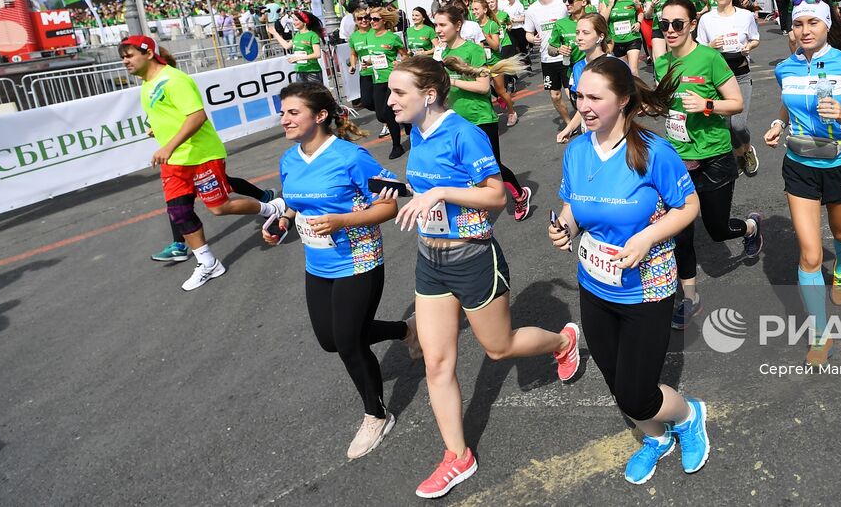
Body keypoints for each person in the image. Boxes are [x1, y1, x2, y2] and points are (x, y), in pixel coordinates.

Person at [388, 56, 581, 499]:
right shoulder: (418, 130)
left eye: (400, 92)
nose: (390, 99)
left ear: (429, 95)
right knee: (437, 363)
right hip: (429, 260)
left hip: (473, 257)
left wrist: (438, 192)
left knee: (499, 348)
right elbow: (430, 186)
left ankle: (562, 342)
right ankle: (457, 456)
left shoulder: (464, 134)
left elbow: (496, 196)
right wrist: (404, 191)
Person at [548, 56, 710, 485]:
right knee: (617, 381)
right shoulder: (577, 150)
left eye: (594, 97)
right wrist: (565, 227)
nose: (583, 105)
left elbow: (688, 206)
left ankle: (690, 414)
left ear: (622, 101)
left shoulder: (654, 152)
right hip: (595, 285)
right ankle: (657, 437)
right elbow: (573, 206)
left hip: (646, 289)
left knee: (638, 393)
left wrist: (648, 237)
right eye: (579, 95)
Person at [263, 81, 416, 460]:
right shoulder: (289, 159)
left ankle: (376, 415)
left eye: (293, 112)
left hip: (358, 259)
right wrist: (283, 220)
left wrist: (342, 220)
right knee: (330, 340)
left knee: (349, 343)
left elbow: (390, 206)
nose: (284, 119)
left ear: (320, 116)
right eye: (282, 112)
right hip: (318, 263)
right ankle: (405, 331)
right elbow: (295, 203)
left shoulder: (352, 157)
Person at [763, 0, 841, 365]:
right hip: (799, 166)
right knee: (810, 255)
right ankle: (820, 335)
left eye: (812, 24)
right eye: (798, 24)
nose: (805, 30)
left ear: (826, 27)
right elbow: (789, 102)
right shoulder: (786, 67)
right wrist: (778, 124)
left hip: (840, 166)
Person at [122, 36, 285, 289]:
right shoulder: (147, 85)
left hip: (201, 156)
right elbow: (167, 115)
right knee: (179, 211)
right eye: (123, 56)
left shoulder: (174, 79)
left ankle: (270, 209)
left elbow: (197, 117)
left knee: (218, 208)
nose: (125, 61)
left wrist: (168, 145)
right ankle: (208, 263)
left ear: (149, 54)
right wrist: (155, 129)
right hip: (175, 162)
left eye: (129, 55)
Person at [654, 0, 761, 329]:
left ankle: (752, 226)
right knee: (681, 234)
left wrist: (706, 104)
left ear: (691, 25)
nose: (670, 30)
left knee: (716, 230)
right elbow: (666, 106)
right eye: (664, 25)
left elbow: (736, 103)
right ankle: (690, 298)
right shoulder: (661, 63)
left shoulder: (710, 58)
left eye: (677, 24)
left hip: (714, 156)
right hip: (678, 159)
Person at [431, 5, 532, 221]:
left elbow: (483, 87)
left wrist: (452, 81)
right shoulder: (444, 52)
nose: (438, 30)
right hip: (457, 120)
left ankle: (520, 194)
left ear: (457, 25)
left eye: (442, 24)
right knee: (464, 167)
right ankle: (475, 207)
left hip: (480, 118)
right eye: (435, 25)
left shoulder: (473, 50)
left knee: (490, 165)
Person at [697, 0, 762, 176]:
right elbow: (699, 48)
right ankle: (739, 154)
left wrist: (748, 47)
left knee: (738, 123)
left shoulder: (745, 16)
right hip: (717, 78)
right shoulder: (706, 19)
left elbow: (755, 39)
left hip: (741, 74)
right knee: (726, 122)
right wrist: (710, 46)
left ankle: (747, 148)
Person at [522, 0, 573, 129]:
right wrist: (532, 39)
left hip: (566, 56)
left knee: (571, 94)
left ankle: (584, 120)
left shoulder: (561, 4)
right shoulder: (531, 10)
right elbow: (528, 33)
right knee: (555, 96)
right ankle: (569, 123)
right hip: (547, 58)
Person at [558, 13, 614, 141]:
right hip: (589, 133)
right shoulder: (578, 67)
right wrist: (569, 128)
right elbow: (583, 106)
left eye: (585, 33)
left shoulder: (614, 66)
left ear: (600, 37)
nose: (579, 38)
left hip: (611, 132)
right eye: (577, 33)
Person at [368, 7, 409, 157]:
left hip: (392, 79)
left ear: (384, 21)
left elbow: (405, 56)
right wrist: (367, 62)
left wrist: (399, 62)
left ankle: (397, 146)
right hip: (377, 79)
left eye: (375, 19)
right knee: (380, 115)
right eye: (370, 18)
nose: (372, 22)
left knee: (388, 112)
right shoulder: (369, 36)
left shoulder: (392, 38)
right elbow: (372, 56)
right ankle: (407, 122)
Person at [603, 0, 648, 77]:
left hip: (632, 38)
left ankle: (639, 93)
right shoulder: (607, 1)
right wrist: (610, 5)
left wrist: (638, 23)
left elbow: (640, 12)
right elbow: (603, 21)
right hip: (616, 41)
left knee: (633, 71)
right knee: (623, 73)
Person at [346, 3, 376, 113]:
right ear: (355, 21)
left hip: (379, 71)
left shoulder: (375, 31)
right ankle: (385, 115)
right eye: (360, 18)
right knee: (367, 101)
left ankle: (387, 121)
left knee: (381, 99)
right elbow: (353, 54)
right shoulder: (354, 36)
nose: (364, 20)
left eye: (366, 18)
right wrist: (353, 66)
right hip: (365, 72)